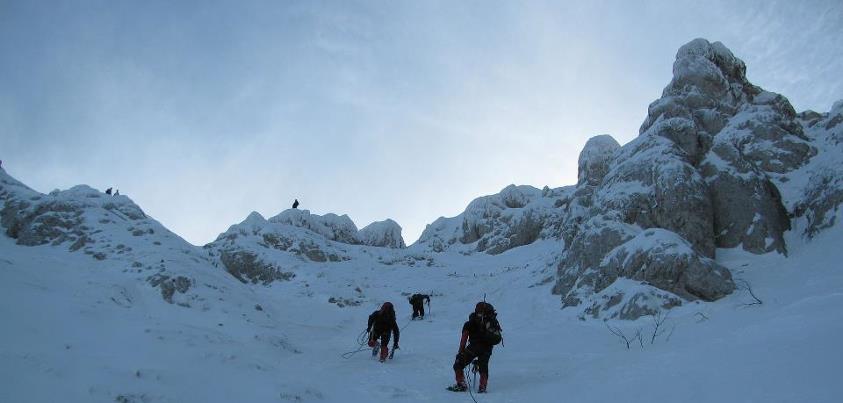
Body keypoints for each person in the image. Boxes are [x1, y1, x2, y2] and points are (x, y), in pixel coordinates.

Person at [448, 302, 502, 393]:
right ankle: (482, 387)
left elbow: (464, 339)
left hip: (474, 347)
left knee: (458, 364)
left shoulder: (469, 324)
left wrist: (460, 352)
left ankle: (461, 384)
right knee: (483, 366)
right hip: (488, 348)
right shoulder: (490, 321)